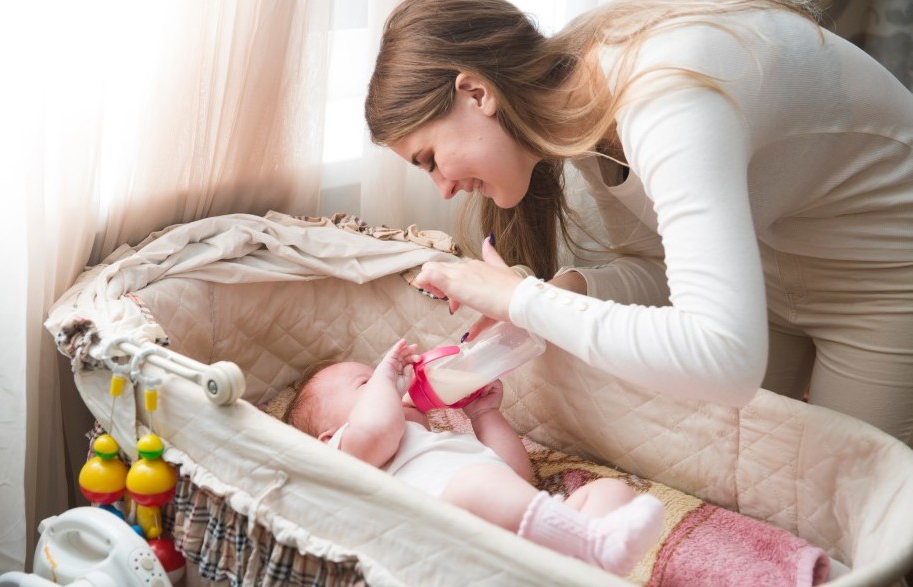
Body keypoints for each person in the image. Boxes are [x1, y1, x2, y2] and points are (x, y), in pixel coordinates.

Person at [363, 0, 913, 446]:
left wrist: (523, 302)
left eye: (430, 159)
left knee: (846, 507)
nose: (444, 189)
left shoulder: (664, 98)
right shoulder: (572, 109)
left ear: (476, 92)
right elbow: (660, 269)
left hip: (883, 280)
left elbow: (725, 359)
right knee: (741, 484)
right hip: (764, 274)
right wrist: (559, 292)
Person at [284, 339, 665, 576]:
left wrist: (484, 417)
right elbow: (378, 428)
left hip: (525, 532)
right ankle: (588, 549)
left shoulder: (442, 439)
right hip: (454, 538)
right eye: (365, 385)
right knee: (476, 482)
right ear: (329, 437)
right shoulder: (350, 453)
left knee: (610, 491)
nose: (391, 387)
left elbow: (517, 478)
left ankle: (583, 561)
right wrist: (384, 376)